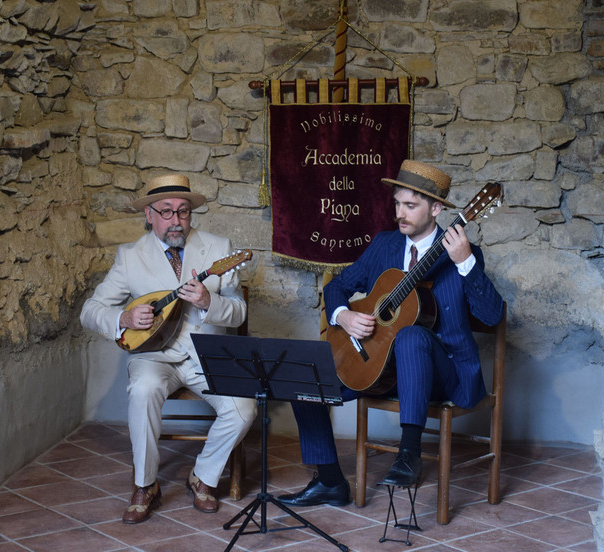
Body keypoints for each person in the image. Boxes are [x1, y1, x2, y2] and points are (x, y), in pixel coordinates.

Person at [277, 160, 504, 507]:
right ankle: (330, 481)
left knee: (411, 337)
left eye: (410, 205)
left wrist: (465, 263)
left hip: (444, 373)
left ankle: (408, 453)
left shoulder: (465, 255)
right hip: (384, 369)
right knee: (305, 381)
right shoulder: (384, 245)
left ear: (436, 208)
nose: (400, 213)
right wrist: (344, 316)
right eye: (397, 203)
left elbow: (493, 314)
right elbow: (337, 287)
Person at [80, 174, 257, 523]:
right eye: (166, 212)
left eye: (183, 212)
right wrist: (124, 318)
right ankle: (146, 484)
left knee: (244, 409)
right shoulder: (130, 256)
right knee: (144, 390)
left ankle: (203, 477)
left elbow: (238, 311)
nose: (176, 220)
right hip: (154, 355)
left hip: (206, 355)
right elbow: (90, 311)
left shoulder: (219, 248)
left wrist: (210, 302)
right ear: (149, 215)